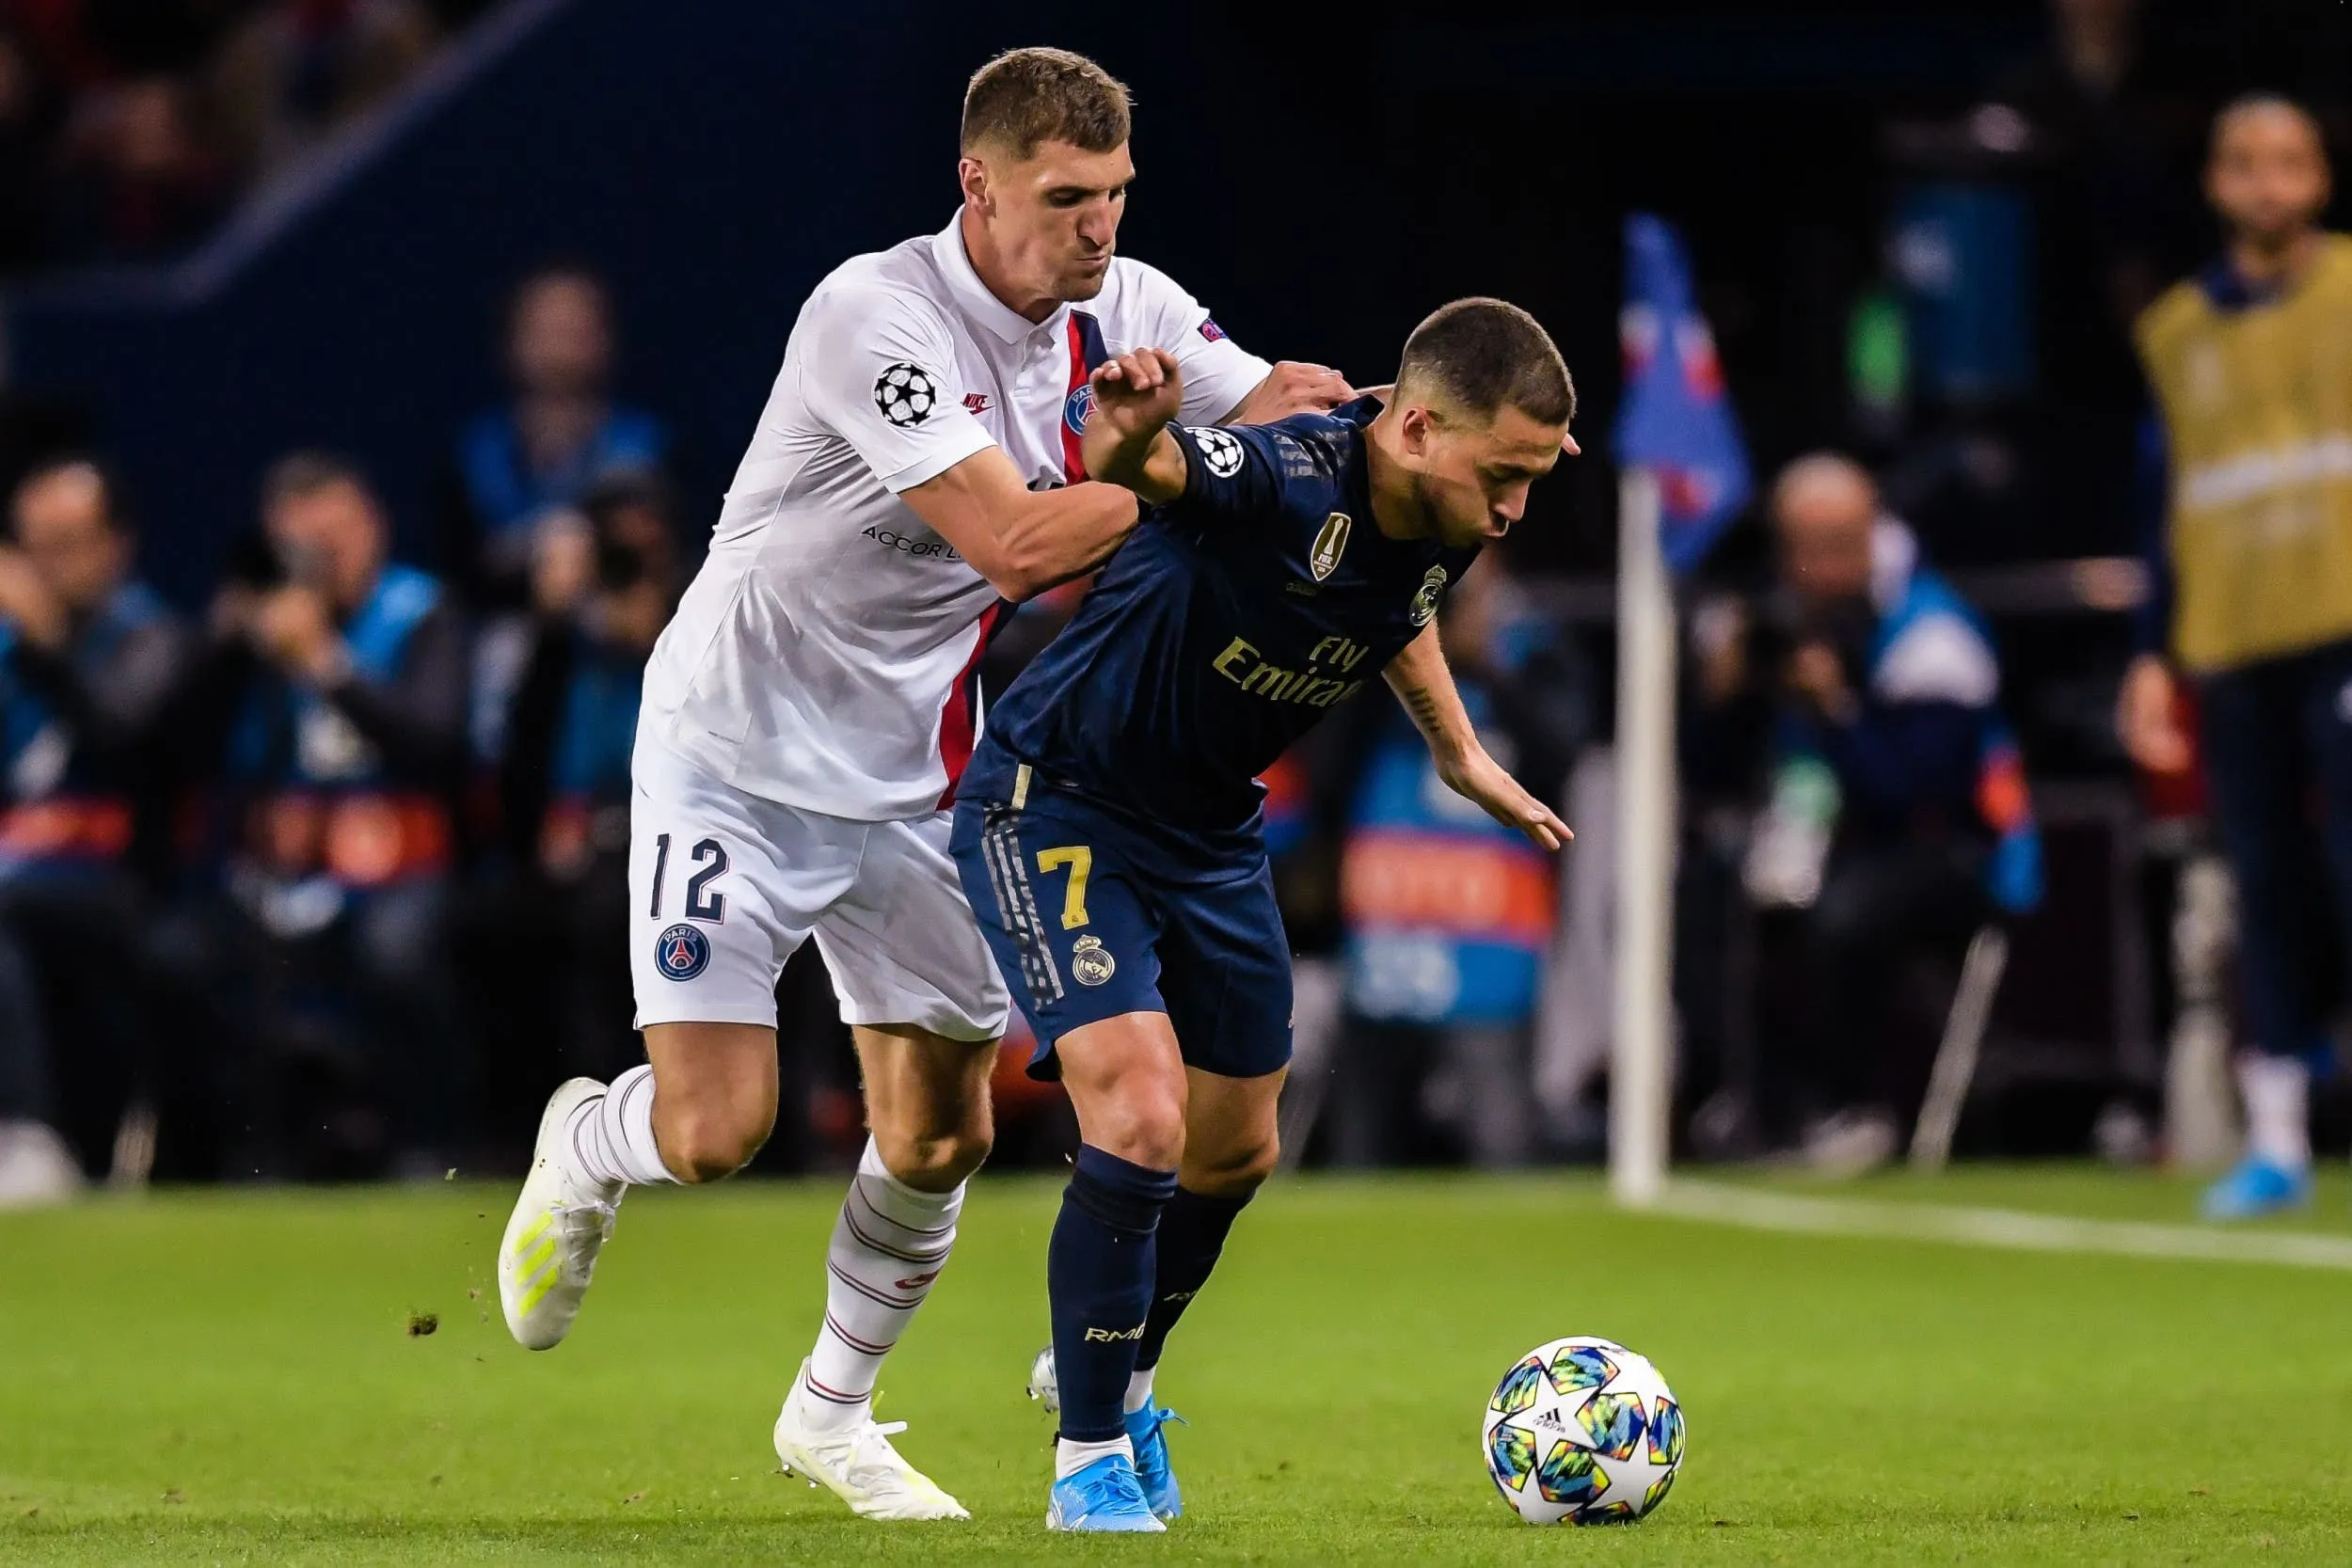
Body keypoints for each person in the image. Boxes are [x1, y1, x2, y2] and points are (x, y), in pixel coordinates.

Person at [492, 45, 1354, 1521]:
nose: (1098, 228)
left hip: (914, 770)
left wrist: (1348, 420)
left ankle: (833, 1409)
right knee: (717, 1132)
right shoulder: (872, 313)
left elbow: (1289, 406)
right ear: (979, 183)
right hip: (733, 752)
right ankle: (588, 1136)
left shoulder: (1130, 307)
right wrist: (1176, 466)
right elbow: (1016, 548)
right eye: (1066, 197)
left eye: (1117, 195)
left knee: (945, 1128)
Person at [949, 299, 1576, 1531]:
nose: (1511, 509)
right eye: (1502, 474)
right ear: (1413, 425)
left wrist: (1457, 750)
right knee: (1139, 1111)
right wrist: (1128, 438)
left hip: (1209, 828)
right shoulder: (1283, 471)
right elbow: (1168, 469)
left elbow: (1394, 603)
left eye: (1532, 482)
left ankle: (1116, 1376)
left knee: (1236, 1149)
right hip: (1058, 797)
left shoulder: (1447, 512)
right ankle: (1087, 1467)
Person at [2122, 96, 2352, 1219]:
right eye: (2245, 163)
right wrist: (2148, 654)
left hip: (2342, 619)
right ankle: (2275, 1139)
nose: (2268, 183)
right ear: (2216, 183)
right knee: (2259, 884)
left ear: (2318, 176)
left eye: (2289, 161)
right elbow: (2160, 502)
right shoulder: (2174, 331)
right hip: (2231, 634)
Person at [1740, 454, 2041, 1171]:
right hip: (1828, 837)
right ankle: (1761, 1107)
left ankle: (1851, 1106)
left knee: (1848, 909)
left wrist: (1837, 708)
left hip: (1960, 855)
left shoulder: (1935, 634)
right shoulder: (1799, 621)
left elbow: (1917, 794)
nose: (1809, 564)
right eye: (1796, 546)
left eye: (1829, 544)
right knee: (1726, 885)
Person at [198, 452, 469, 1174]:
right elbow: (182, 745)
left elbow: (434, 742)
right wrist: (225, 648)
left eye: (336, 538)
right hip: (284, 865)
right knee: (194, 954)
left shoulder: (422, 611)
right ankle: (250, 1157)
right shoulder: (259, 629)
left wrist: (325, 662)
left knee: (397, 956)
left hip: (400, 860)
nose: (321, 561)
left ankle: (429, 1142)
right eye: (303, 545)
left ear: (373, 528)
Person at [0, 458, 183, 1205]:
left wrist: (46, 647)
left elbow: (122, 738)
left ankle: (27, 1132)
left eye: (69, 542)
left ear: (117, 544)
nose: (49, 564)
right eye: (33, 545)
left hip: (121, 882)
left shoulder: (153, 635)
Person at [439, 265, 676, 609]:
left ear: (605, 341)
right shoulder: (471, 456)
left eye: (575, 331)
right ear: (510, 343)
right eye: (544, 331)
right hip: (501, 639)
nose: (559, 351)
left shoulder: (651, 449)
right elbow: (458, 579)